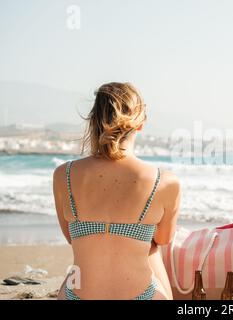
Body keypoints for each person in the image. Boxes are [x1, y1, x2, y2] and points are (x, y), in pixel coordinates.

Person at [53, 82, 180, 300]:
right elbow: (163, 239)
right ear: (140, 124)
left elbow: (72, 238)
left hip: (78, 296)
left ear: (94, 121)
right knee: (151, 247)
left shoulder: (63, 174)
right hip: (141, 296)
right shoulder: (165, 181)